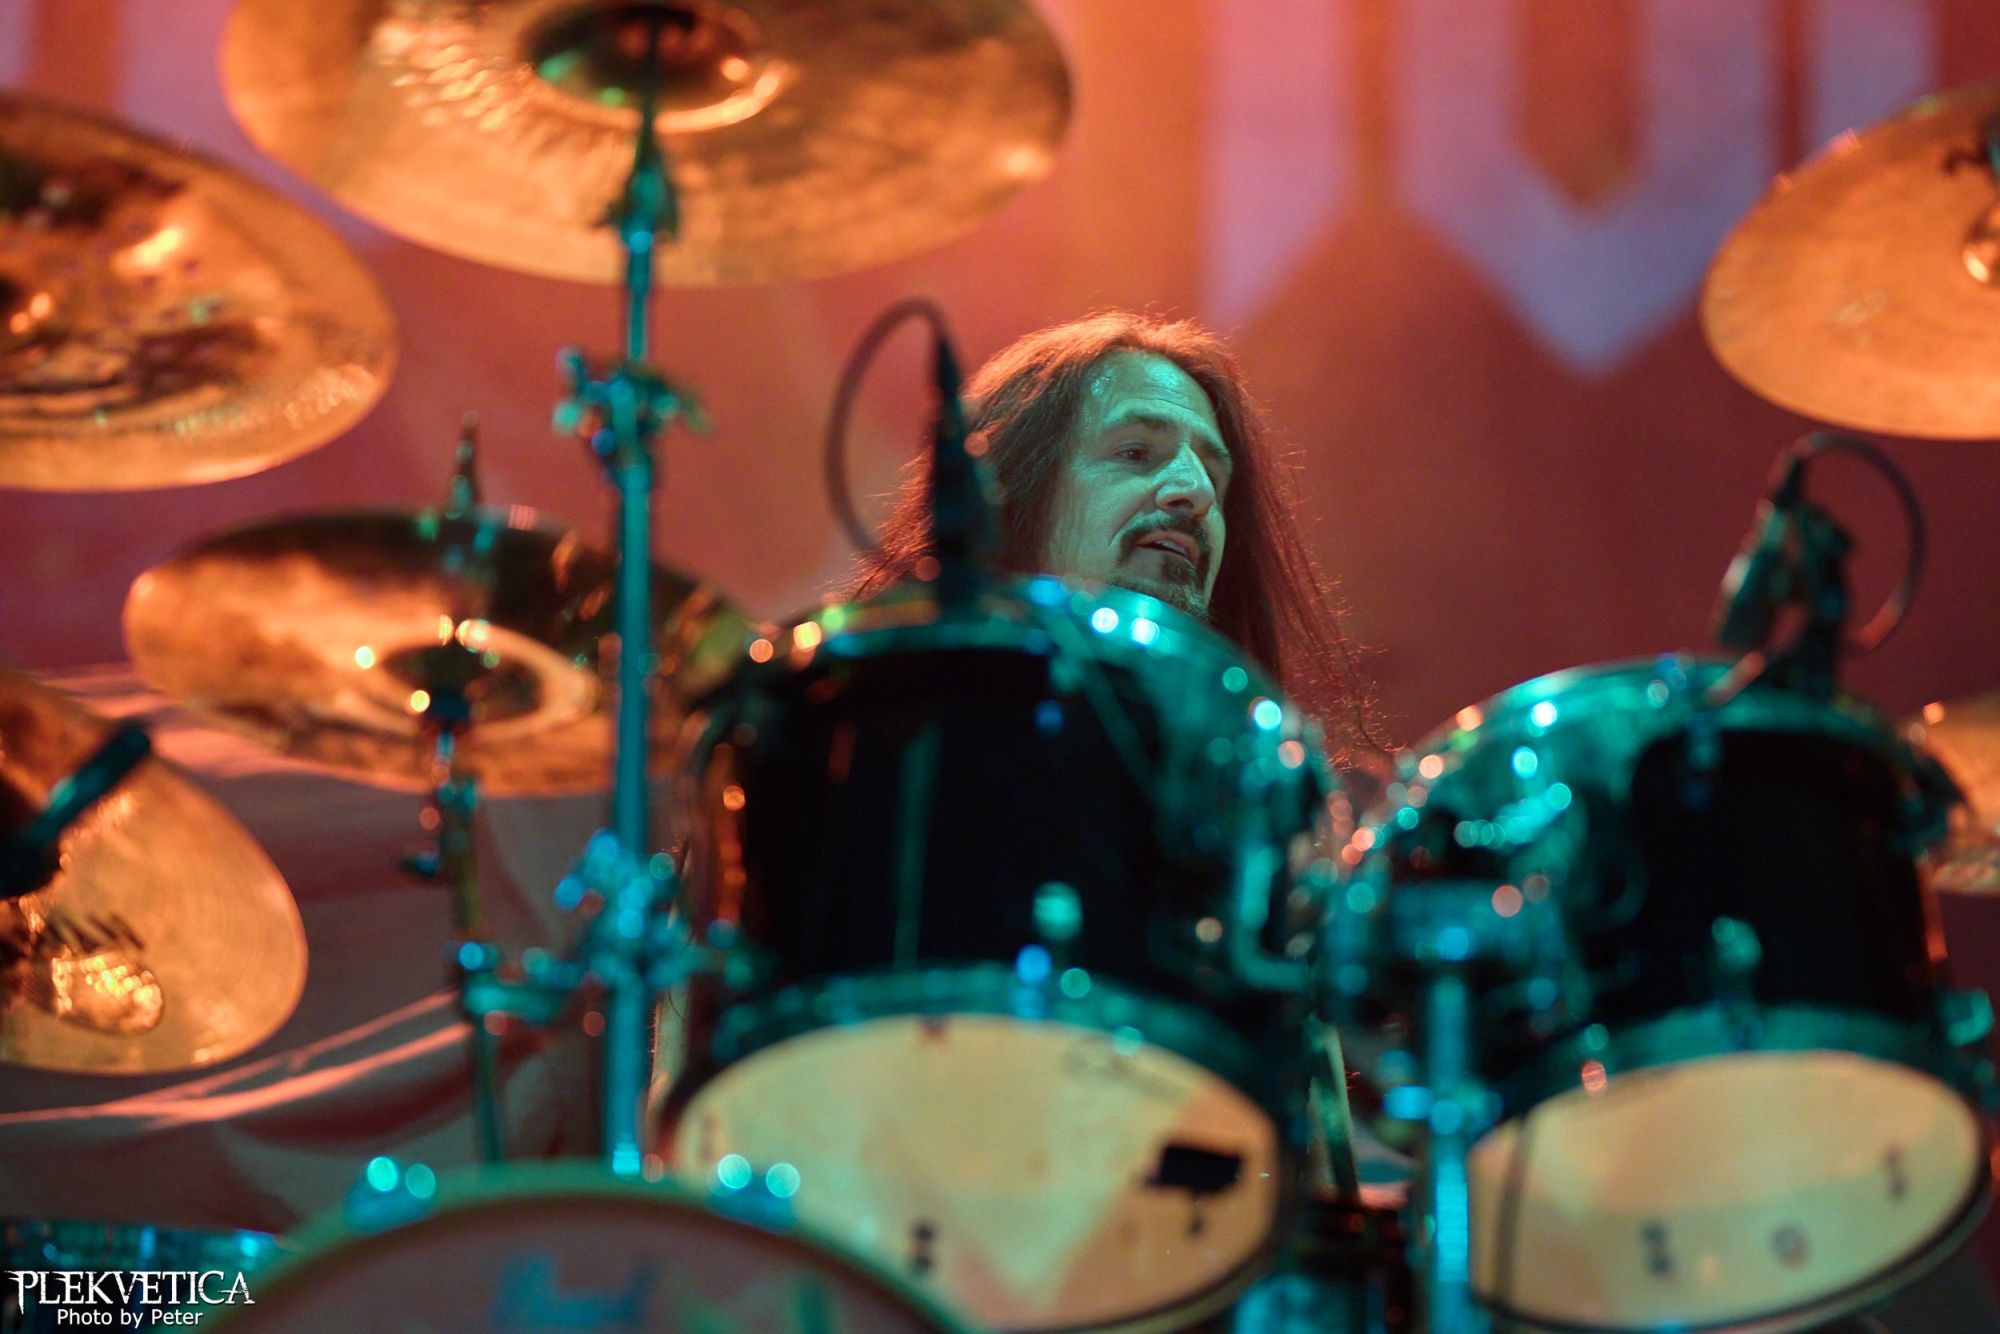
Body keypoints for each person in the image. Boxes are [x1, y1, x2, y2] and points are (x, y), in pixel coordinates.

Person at [843, 308, 1378, 755]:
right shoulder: (869, 729)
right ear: (1007, 492)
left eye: (1214, 479)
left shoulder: (1258, 781)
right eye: (1136, 453)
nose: (1196, 492)